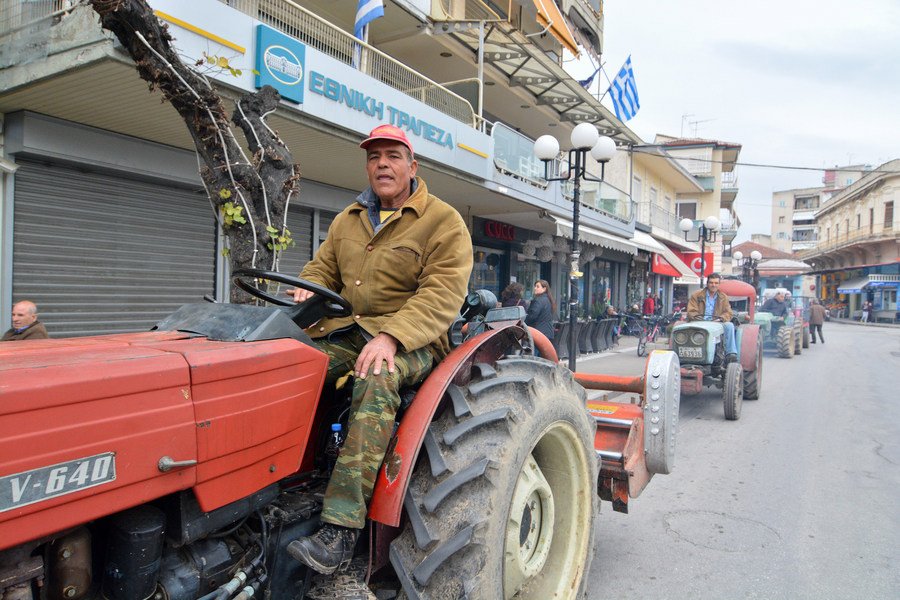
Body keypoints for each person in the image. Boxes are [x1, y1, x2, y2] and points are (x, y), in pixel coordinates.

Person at [284, 124, 473, 574]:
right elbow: (321, 269)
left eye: (392, 155)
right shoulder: (348, 218)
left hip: (413, 339)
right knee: (291, 364)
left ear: (412, 165)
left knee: (376, 377)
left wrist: (392, 336)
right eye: (374, 157)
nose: (382, 164)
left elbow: (440, 295)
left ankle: (341, 529)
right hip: (348, 330)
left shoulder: (443, 221)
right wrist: (305, 291)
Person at [686, 273, 737, 362]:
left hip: (717, 322)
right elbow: (691, 311)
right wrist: (698, 319)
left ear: (719, 284)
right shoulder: (696, 295)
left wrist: (720, 319)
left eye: (716, 283)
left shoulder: (723, 297)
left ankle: (730, 353)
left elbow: (728, 312)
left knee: (729, 326)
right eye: (711, 283)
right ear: (707, 283)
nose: (713, 285)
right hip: (699, 321)